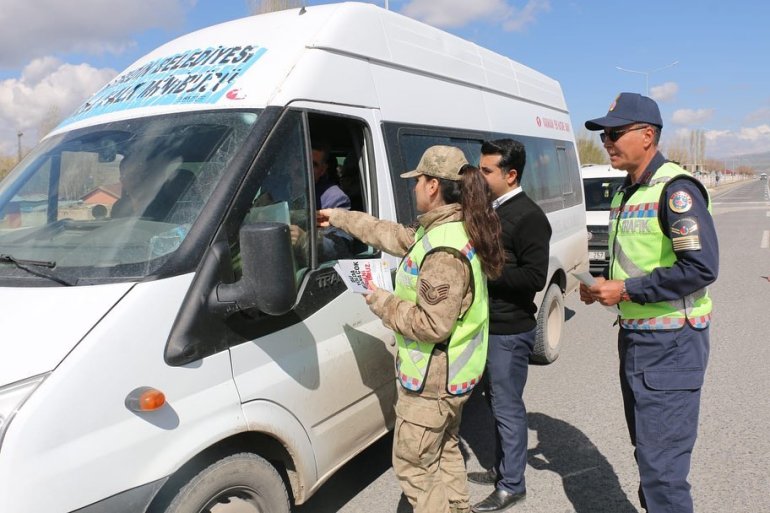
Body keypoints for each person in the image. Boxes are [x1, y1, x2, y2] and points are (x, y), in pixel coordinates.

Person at [318, 145, 505, 513]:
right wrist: (338, 217)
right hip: (453, 377)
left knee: (414, 468)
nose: (415, 187)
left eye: (418, 181)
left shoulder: (443, 251)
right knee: (445, 448)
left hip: (432, 382)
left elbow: (432, 324)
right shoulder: (447, 228)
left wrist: (380, 299)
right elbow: (387, 234)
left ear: (433, 185)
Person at [580, 92, 719, 513]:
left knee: (663, 470)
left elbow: (700, 267)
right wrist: (604, 286)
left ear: (647, 135)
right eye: (604, 135)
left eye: (615, 133)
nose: (607, 142)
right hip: (637, 338)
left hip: (672, 343)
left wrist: (625, 290)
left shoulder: (676, 191)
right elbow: (635, 261)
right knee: (648, 453)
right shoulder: (626, 193)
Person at [467, 139, 551, 513]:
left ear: (510, 174)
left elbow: (534, 277)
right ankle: (503, 470)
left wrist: (484, 272)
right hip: (488, 325)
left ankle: (512, 485)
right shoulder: (492, 210)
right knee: (495, 403)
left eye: (486, 171)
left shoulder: (529, 217)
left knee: (507, 408)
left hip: (509, 331)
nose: (480, 177)